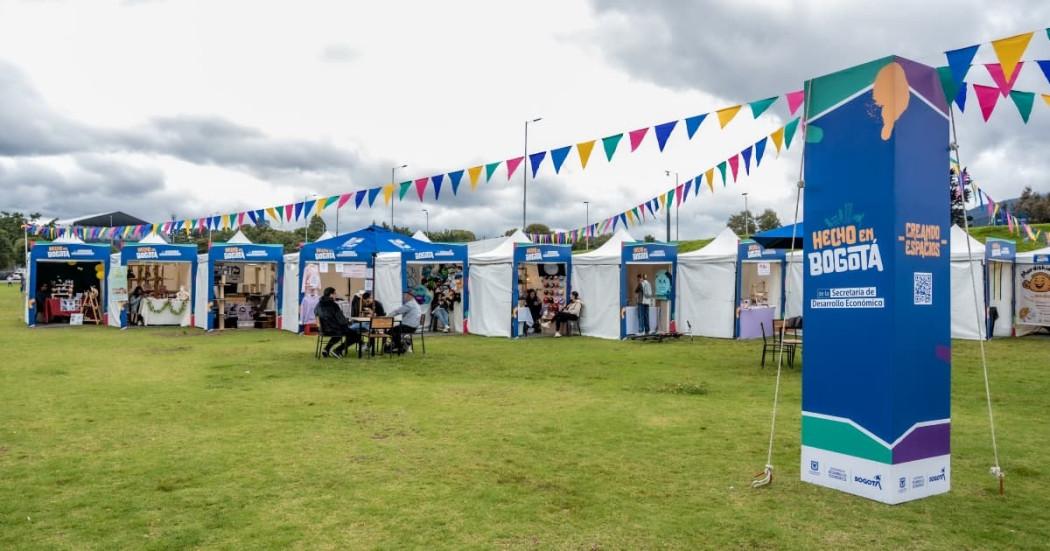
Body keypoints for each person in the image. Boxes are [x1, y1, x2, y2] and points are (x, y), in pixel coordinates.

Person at [313, 287, 361, 358]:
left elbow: (316, 314)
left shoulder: (318, 304)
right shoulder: (333, 305)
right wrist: (348, 322)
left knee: (341, 333)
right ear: (331, 294)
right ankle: (338, 350)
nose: (336, 295)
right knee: (355, 335)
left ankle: (326, 349)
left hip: (323, 329)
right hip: (333, 329)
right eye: (335, 293)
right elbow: (341, 320)